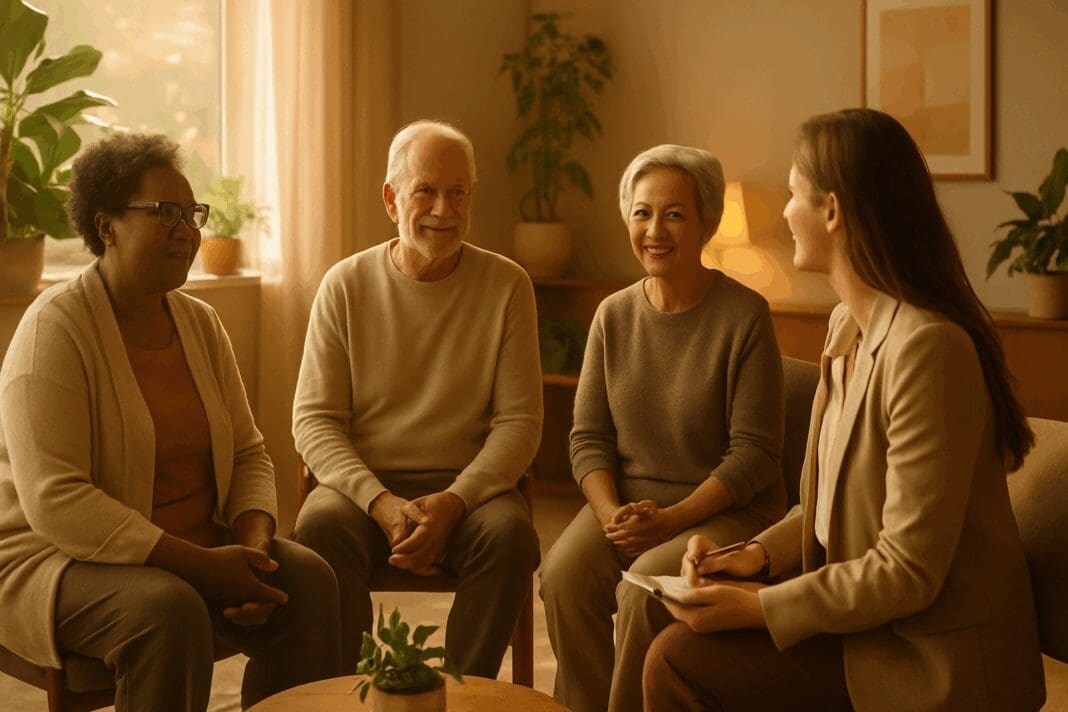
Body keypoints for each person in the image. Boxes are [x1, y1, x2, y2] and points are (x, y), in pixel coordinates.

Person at [643, 108, 1047, 711]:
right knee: (670, 635)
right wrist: (747, 558)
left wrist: (758, 606)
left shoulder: (927, 350)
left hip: (926, 662)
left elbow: (908, 571)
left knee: (676, 661)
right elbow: (827, 505)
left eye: (792, 193)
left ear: (831, 211)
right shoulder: (846, 329)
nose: (783, 212)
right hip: (867, 629)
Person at [0, 133, 343, 711]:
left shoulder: (200, 323)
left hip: (196, 547)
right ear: (106, 226)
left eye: (192, 214)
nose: (187, 229)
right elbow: (57, 501)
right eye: (165, 213)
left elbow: (248, 454)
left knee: (308, 582)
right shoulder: (54, 330)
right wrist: (204, 568)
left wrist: (253, 553)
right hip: (55, 560)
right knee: (169, 610)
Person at [539, 144, 786, 712]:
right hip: (629, 506)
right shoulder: (613, 314)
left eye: (674, 214)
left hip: (725, 509)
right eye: (642, 212)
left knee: (642, 588)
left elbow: (754, 457)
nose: (655, 229)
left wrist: (671, 520)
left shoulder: (745, 315)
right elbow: (587, 438)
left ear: (707, 223)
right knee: (564, 574)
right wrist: (608, 515)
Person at [291, 119, 542, 677]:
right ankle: (349, 691)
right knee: (317, 528)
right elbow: (314, 420)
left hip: (469, 492)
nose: (443, 210)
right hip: (362, 492)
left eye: (458, 193)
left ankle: (460, 693)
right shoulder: (344, 285)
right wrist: (380, 503)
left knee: (511, 536)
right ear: (391, 198)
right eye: (425, 190)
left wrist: (453, 502)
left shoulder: (508, 287)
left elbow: (520, 424)